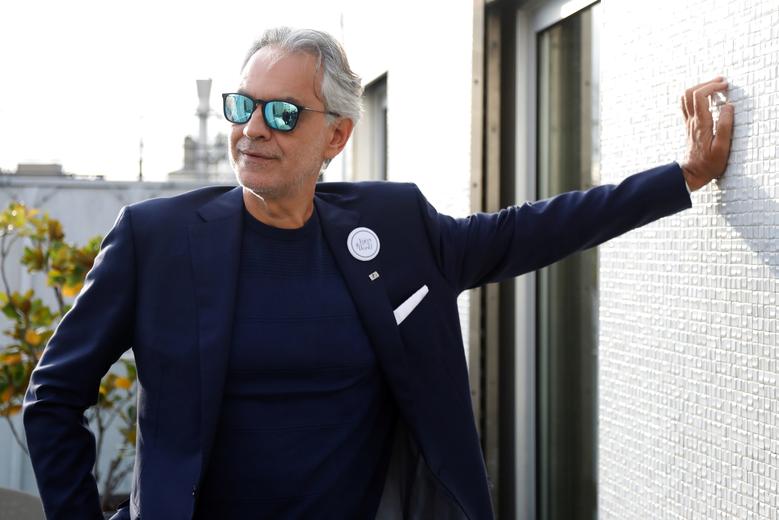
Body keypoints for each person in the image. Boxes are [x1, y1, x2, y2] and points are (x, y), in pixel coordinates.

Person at [23, 27, 733, 520]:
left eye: (281, 113)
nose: (253, 129)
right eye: (243, 106)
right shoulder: (158, 239)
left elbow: (527, 231)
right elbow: (53, 397)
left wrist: (683, 176)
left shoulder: (392, 229)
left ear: (336, 134)